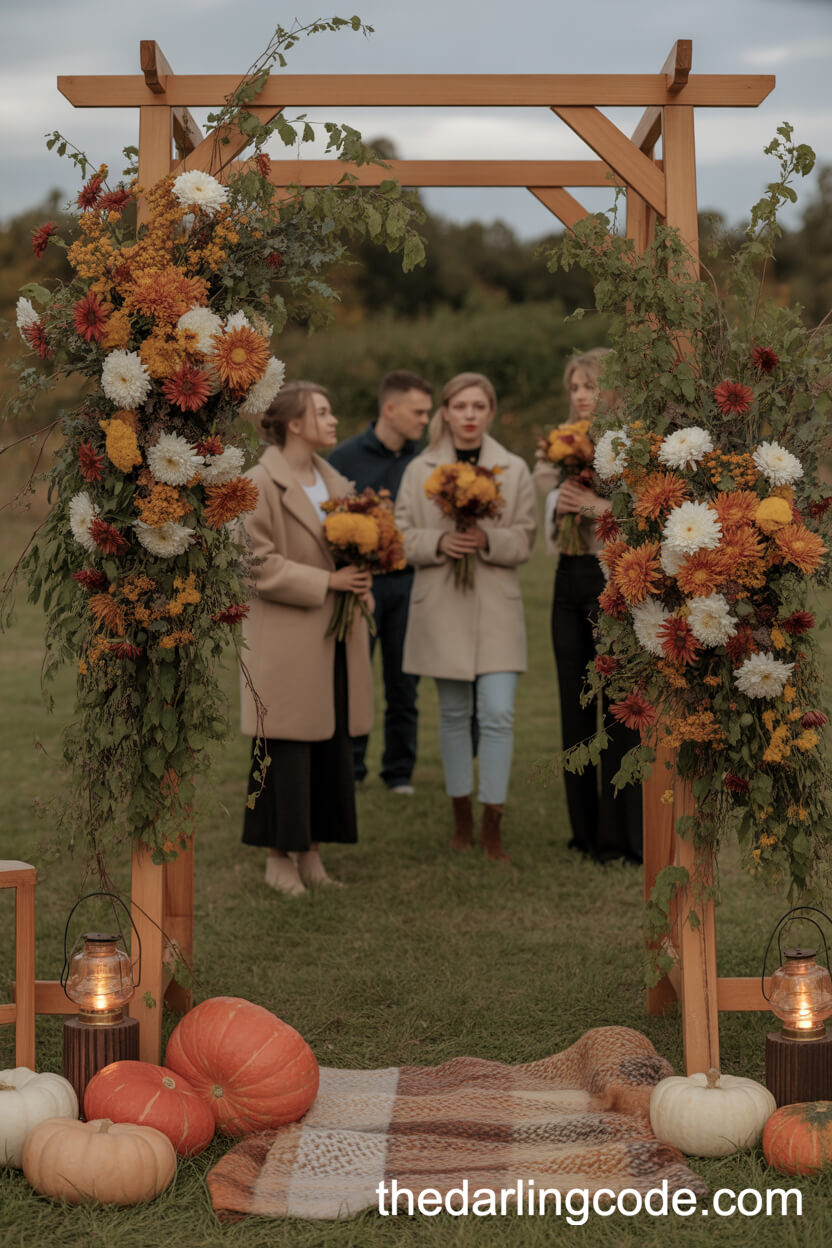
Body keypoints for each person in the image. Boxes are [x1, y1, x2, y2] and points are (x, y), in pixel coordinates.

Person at [239, 381, 374, 895]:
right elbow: (255, 564)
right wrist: (328, 582)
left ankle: (312, 851)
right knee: (286, 748)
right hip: (285, 640)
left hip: (335, 637)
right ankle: (278, 858)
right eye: (323, 411)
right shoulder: (257, 483)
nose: (334, 419)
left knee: (330, 744)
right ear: (294, 424)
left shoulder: (334, 480)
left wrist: (362, 571)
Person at [395, 372, 536, 862]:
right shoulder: (420, 470)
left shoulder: (513, 469)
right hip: (441, 606)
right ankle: (461, 819)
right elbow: (400, 534)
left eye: (480, 406)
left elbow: (525, 538)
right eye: (461, 406)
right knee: (453, 715)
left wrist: (487, 540)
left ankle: (492, 821)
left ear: (491, 412)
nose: (470, 415)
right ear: (447, 412)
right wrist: (438, 542)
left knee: (497, 713)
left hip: (497, 608)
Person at [534, 348, 642, 864]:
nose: (579, 395)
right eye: (574, 386)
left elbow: (646, 519)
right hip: (566, 578)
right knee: (575, 708)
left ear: (613, 389)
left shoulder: (631, 443)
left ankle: (620, 837)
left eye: (589, 386)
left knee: (619, 709)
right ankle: (584, 833)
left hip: (614, 582)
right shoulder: (555, 445)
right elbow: (543, 527)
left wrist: (597, 507)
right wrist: (554, 504)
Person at [328, 370, 433, 794]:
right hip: (361, 585)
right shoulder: (344, 458)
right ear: (390, 408)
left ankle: (399, 772)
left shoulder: (424, 461)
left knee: (404, 682)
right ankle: (349, 767)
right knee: (354, 677)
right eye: (418, 411)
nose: (425, 419)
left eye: (428, 412)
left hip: (410, 583)